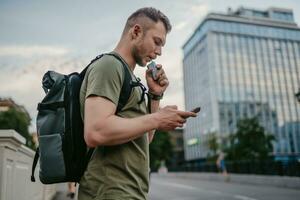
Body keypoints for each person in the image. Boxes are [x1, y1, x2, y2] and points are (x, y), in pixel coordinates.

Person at [78, 7, 197, 200]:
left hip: (130, 193)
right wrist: (157, 119)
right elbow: (95, 132)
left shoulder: (132, 79)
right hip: (109, 192)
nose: (159, 52)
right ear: (136, 31)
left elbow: (145, 138)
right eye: (157, 42)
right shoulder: (109, 66)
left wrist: (155, 96)